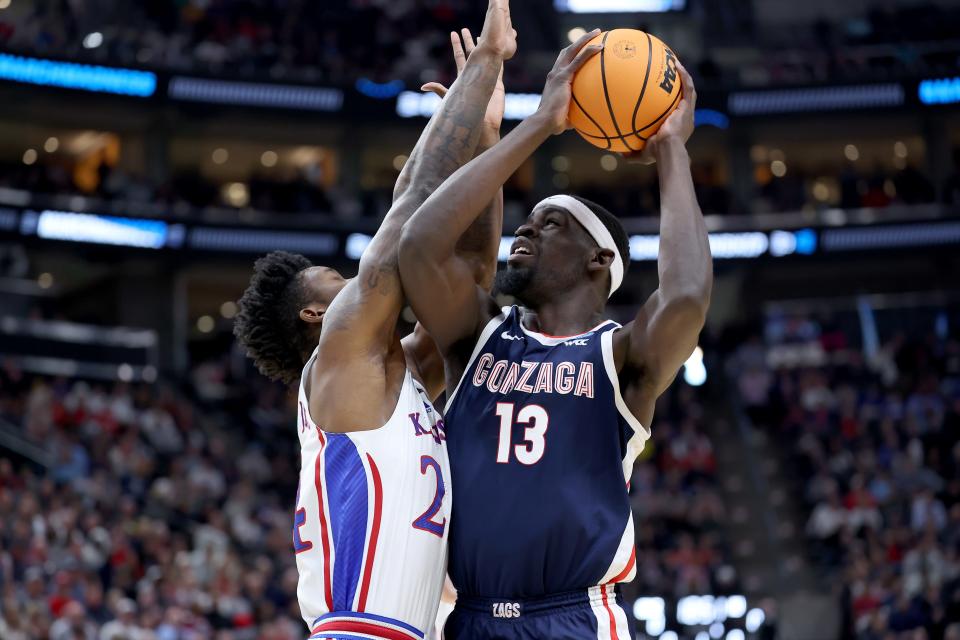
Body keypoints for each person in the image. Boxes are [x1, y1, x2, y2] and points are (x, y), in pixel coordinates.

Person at [397, 31, 712, 639]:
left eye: (552, 225)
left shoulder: (621, 357)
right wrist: (535, 124)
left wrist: (672, 147)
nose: (527, 231)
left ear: (599, 262)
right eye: (529, 220)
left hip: (573, 618)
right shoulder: (480, 338)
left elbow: (687, 296)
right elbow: (419, 246)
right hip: (468, 619)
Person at [232, 2, 517, 637]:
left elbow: (471, 273)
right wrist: (483, 70)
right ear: (314, 313)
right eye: (336, 281)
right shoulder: (338, 356)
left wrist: (487, 140)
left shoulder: (397, 374)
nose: (353, 280)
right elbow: (412, 211)